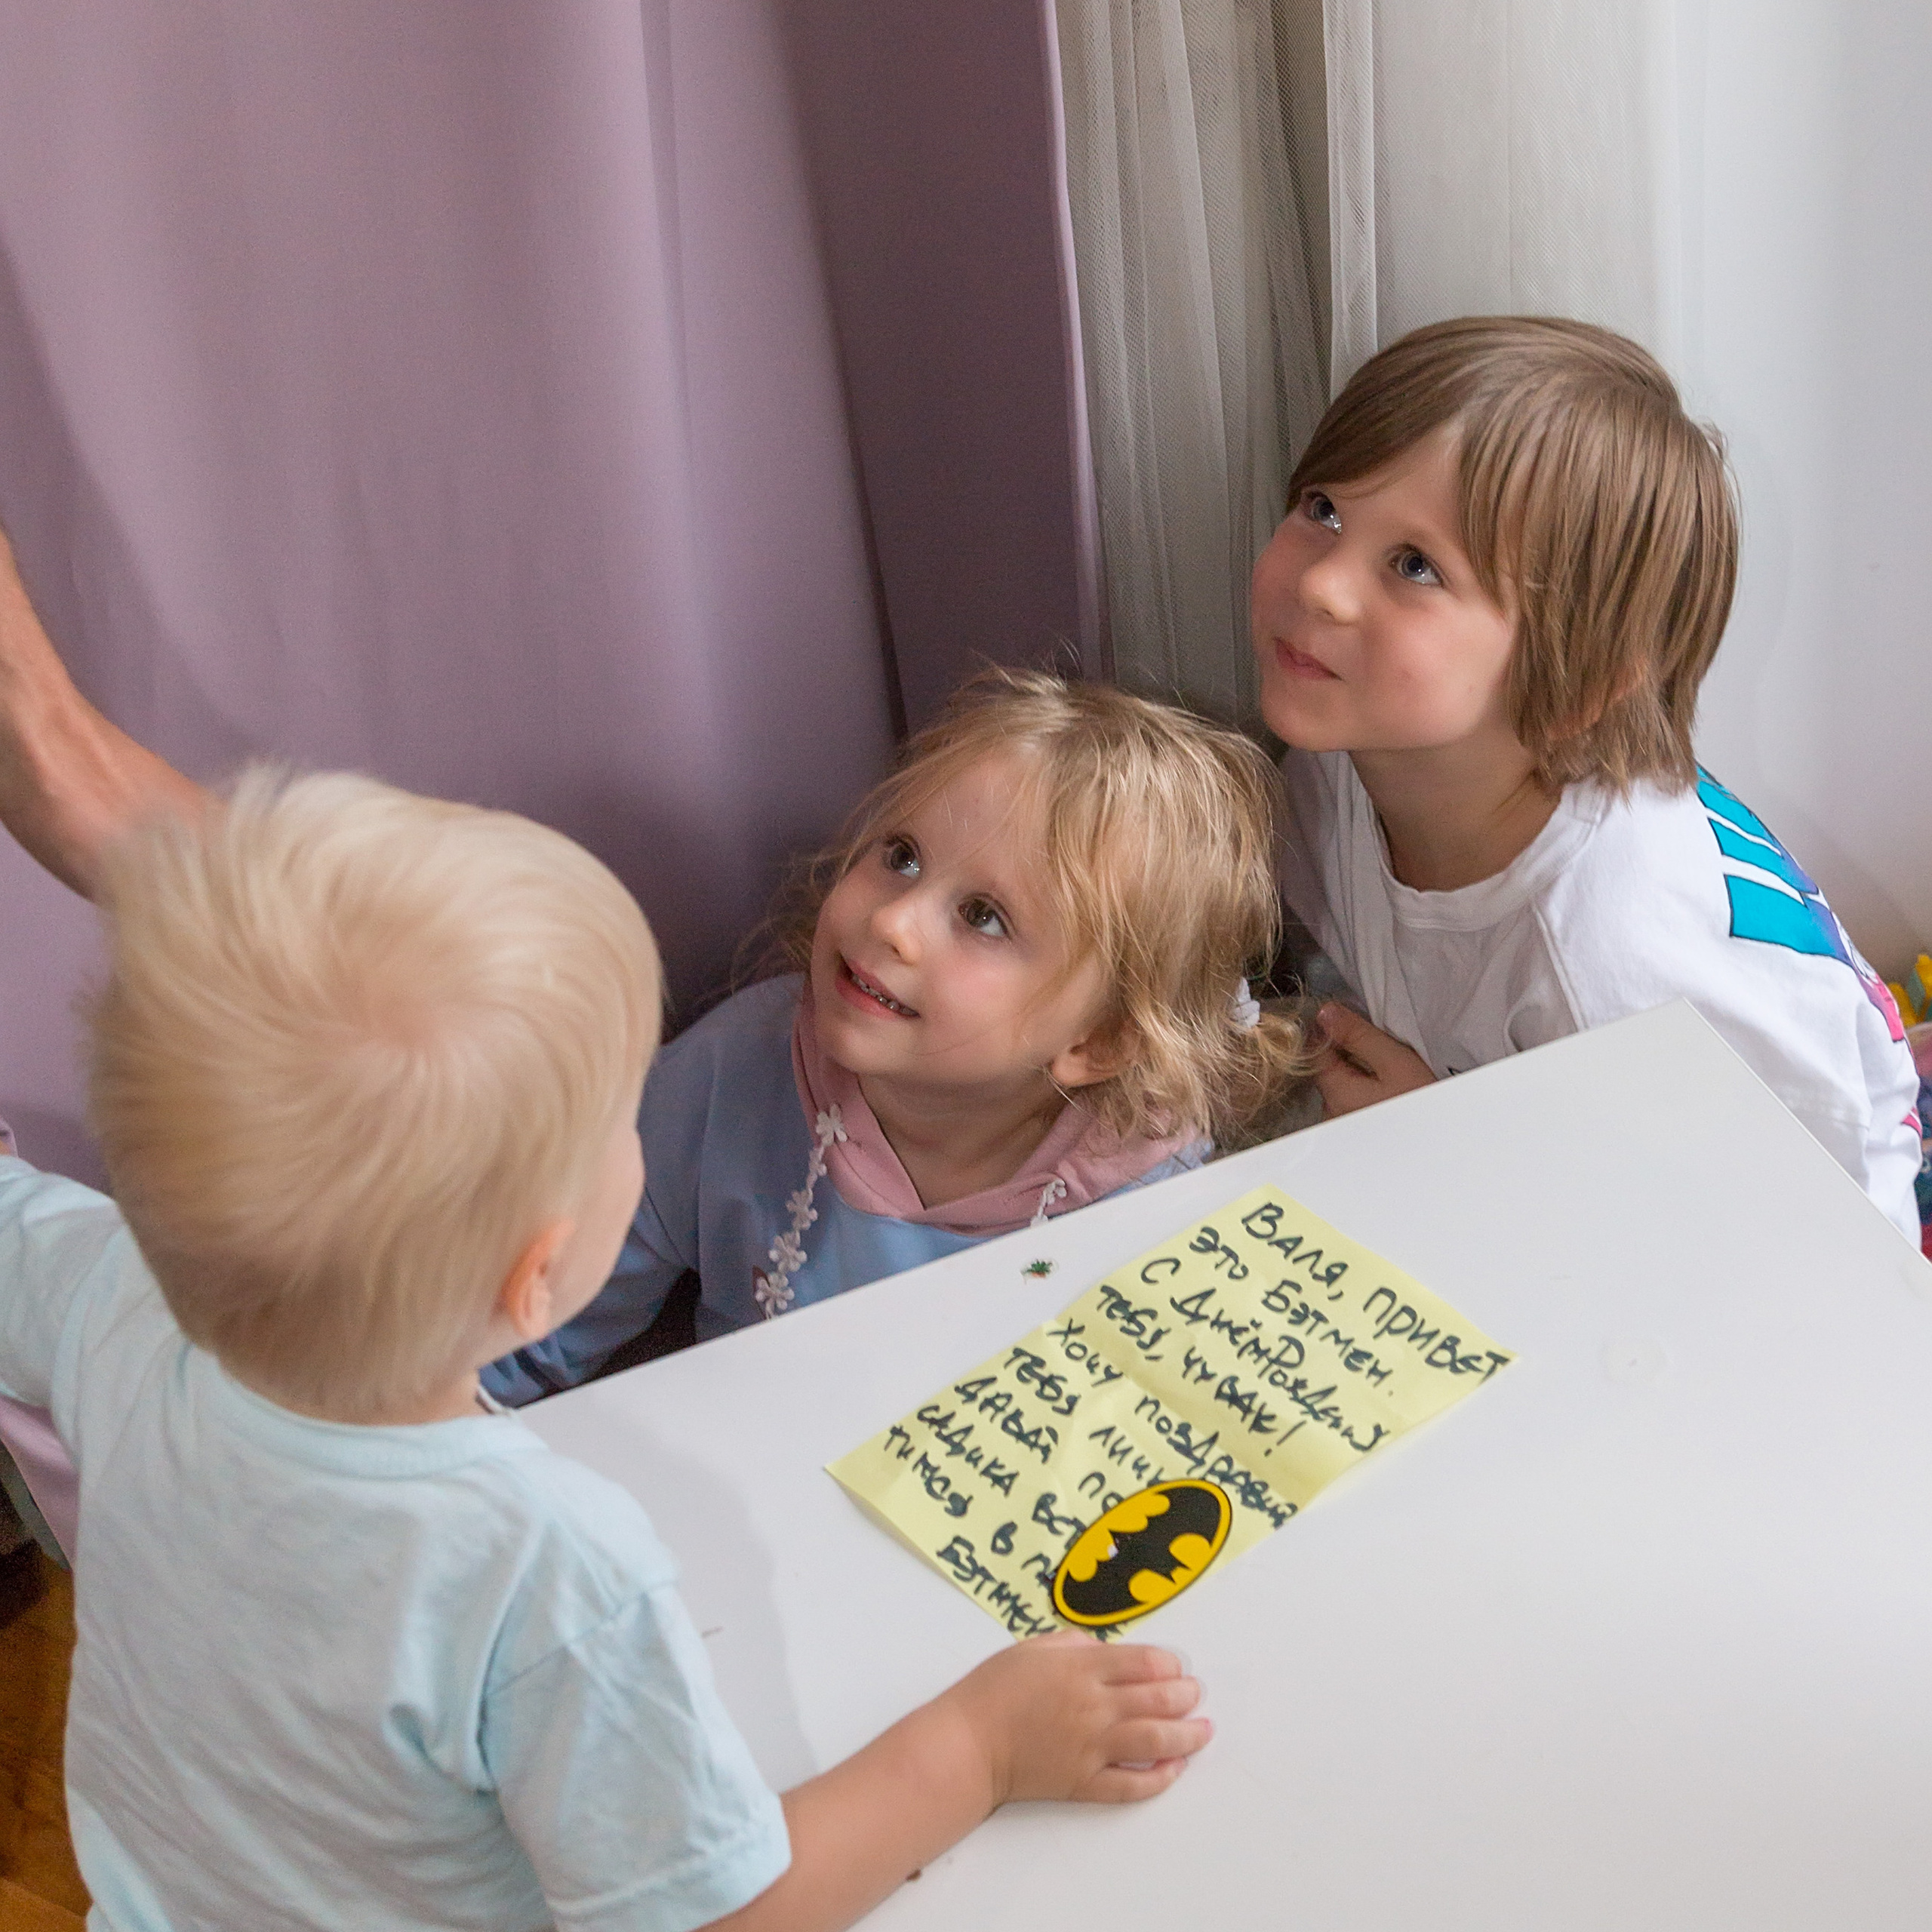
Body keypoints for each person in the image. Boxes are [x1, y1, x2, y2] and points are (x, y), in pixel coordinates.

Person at [0, 761, 1210, 1930]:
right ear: (539, 1275)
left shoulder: (119, 1298)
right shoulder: (546, 1572)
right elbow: (725, 1915)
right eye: (616, 1116)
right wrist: (981, 1747)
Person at [1251, 315, 1921, 1242]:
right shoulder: (1340, 761)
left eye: (1414, 566)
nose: (1323, 583)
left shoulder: (1610, 957)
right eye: (1323, 508)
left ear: (1574, 685)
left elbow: (1800, 1253)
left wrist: (1442, 1156)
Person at [488, 667, 1309, 1404]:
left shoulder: (1149, 1204)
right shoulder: (731, 1071)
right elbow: (530, 1327)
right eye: (903, 856)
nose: (893, 920)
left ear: (1097, 1042)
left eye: (983, 917)